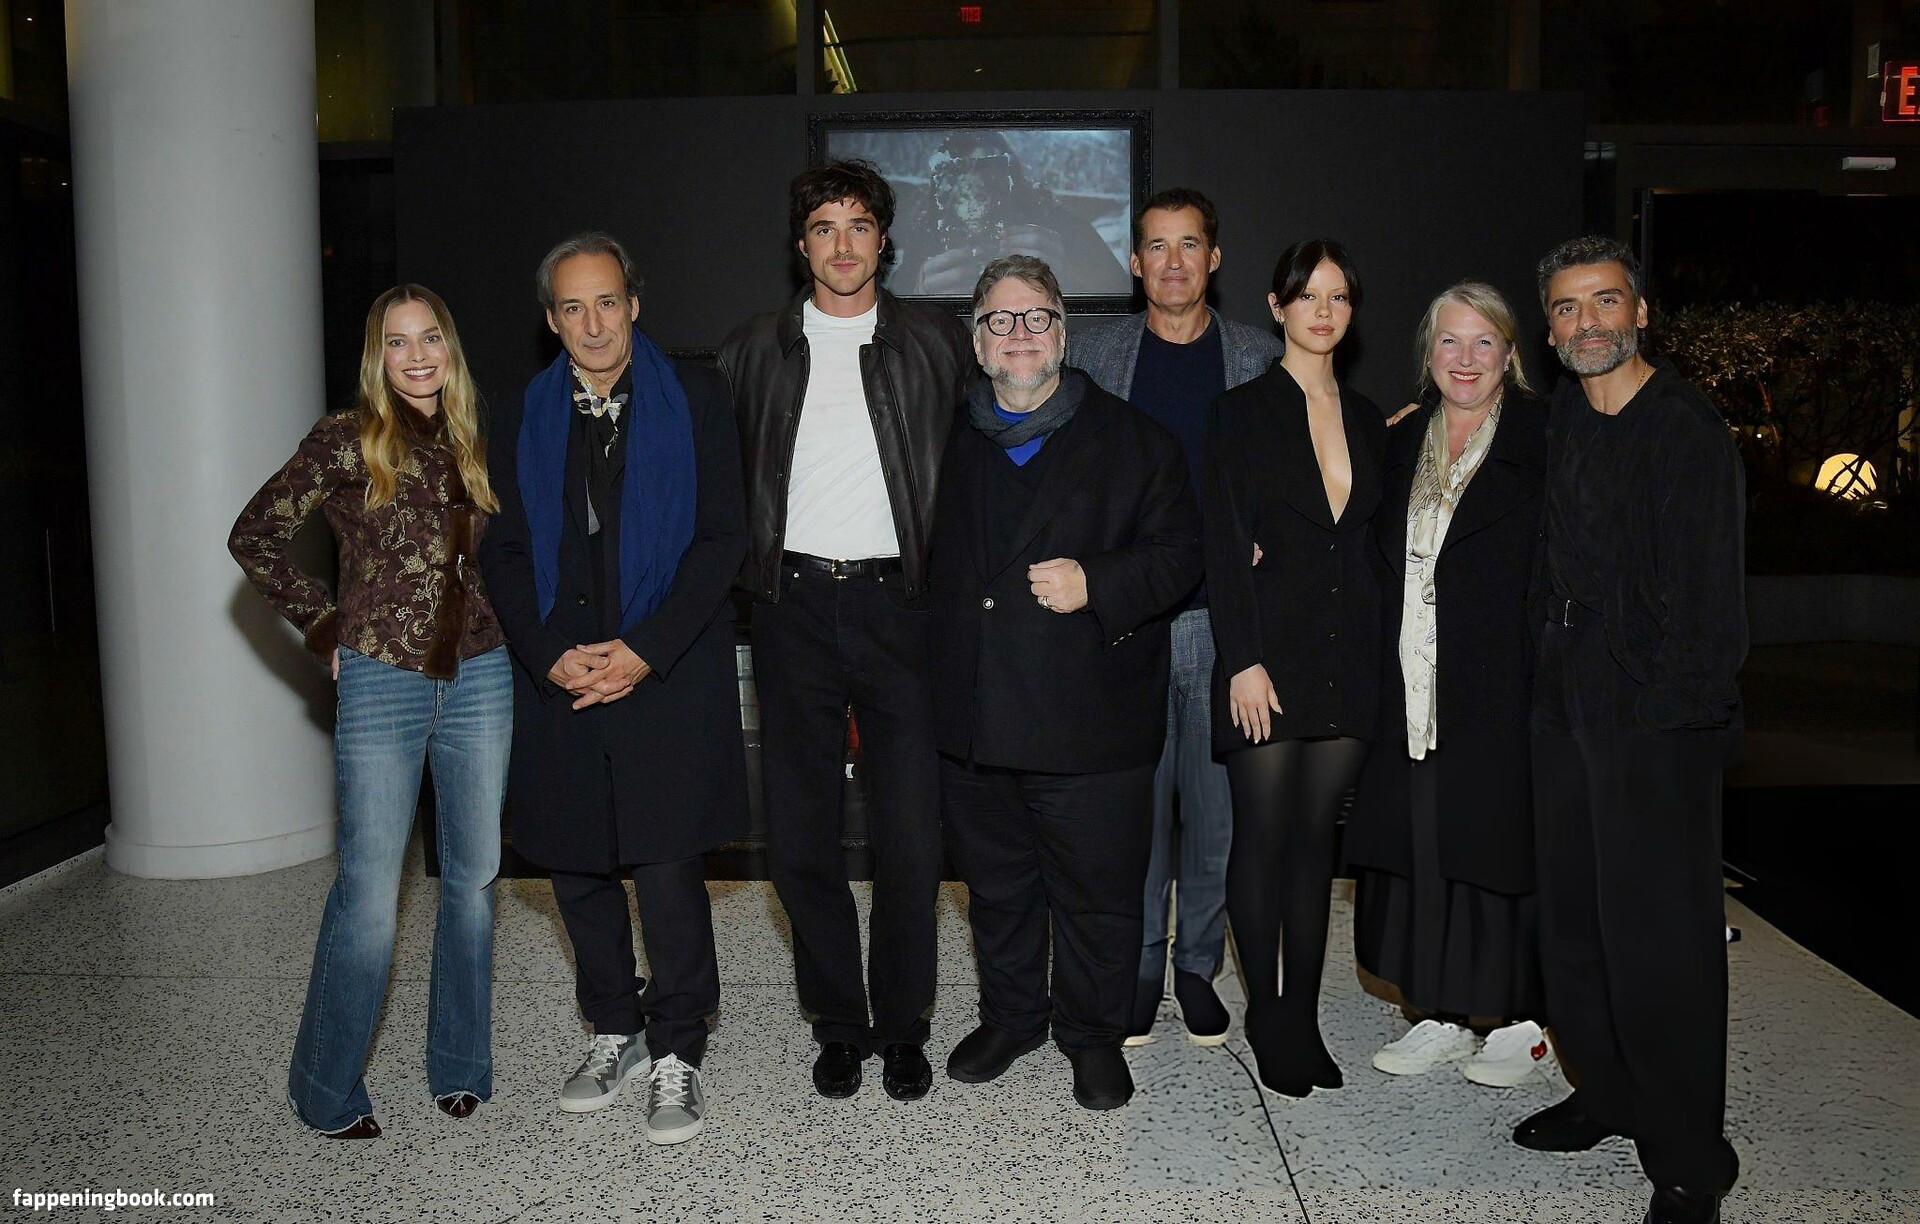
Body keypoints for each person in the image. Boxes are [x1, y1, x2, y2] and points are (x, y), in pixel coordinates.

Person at [479, 232, 747, 1145]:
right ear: (551, 321)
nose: (592, 323)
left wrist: (643, 650)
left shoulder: (697, 397)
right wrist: (548, 653)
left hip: (664, 663)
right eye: (572, 307)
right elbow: (504, 549)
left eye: (606, 302)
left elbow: (723, 538)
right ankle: (613, 1026)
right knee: (577, 860)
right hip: (560, 667)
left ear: (633, 304)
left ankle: (678, 1044)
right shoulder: (521, 411)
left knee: (667, 864)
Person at [718, 161, 974, 1103]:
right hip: (791, 607)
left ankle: (902, 1024)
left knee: (910, 839)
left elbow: (997, 442)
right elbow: (718, 475)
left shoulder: (934, 343)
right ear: (802, 244)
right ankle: (838, 1022)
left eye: (859, 225)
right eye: (824, 227)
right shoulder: (753, 348)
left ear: (884, 241)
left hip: (899, 607)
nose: (842, 244)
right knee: (800, 840)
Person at [229, 284, 509, 1139]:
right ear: (376, 357)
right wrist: (325, 628)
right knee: (369, 896)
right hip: (383, 680)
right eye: (398, 341)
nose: (417, 356)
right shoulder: (345, 437)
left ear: (450, 349)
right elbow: (254, 534)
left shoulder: (470, 438)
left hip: (481, 675)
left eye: (430, 338)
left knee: (473, 884)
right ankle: (324, 1088)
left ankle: (459, 1065)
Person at [932, 255, 1202, 1111]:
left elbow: (1182, 557)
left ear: (1063, 333)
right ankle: (1013, 1018)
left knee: (1098, 900)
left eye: (1037, 317)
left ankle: (1092, 1036)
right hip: (977, 720)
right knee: (998, 891)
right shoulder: (942, 441)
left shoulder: (1137, 441)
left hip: (1092, 721)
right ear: (978, 342)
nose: (1020, 334)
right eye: (1000, 320)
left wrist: (1098, 582)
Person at [1512, 236, 1745, 1224]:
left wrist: (1664, 730)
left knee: (1663, 948)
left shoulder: (1685, 432)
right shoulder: (1566, 415)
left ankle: (1690, 1160)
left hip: (1654, 722)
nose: (1588, 323)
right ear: (1550, 327)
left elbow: (1710, 607)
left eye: (1605, 301)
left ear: (1640, 311)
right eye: (1567, 308)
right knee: (1570, 928)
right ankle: (1607, 1095)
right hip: (1562, 706)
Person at [1070, 188, 1281, 1048]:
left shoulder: (1259, 357)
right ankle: (1139, 967)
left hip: (1221, 625)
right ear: (1134, 263)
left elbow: (1302, 471)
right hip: (1127, 623)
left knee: (1215, 819)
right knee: (1136, 817)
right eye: (1156, 246)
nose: (1173, 262)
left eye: (1189, 245)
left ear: (1214, 259)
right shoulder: (1094, 355)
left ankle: (1196, 966)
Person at [1344, 281, 1553, 1087]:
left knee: (1498, 849)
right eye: (1449, 342)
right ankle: (1436, 1011)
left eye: (1483, 342)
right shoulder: (1400, 440)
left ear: (1509, 352)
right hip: (1409, 681)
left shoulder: (1547, 435)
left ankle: (1521, 1022)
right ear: (1427, 353)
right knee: (1423, 844)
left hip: (1503, 683)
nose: (1466, 360)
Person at [1202, 239, 1386, 1098]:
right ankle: (1267, 1015)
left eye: (1338, 297)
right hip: (1266, 659)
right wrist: (1242, 660)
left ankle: (1302, 1016)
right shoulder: (1238, 413)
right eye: (1307, 295)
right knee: (1263, 839)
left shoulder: (1373, 421)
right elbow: (1223, 546)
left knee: (1316, 848)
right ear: (1276, 307)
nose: (1323, 310)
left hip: (1350, 658)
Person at [892, 131, 1129, 298]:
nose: (973, 187)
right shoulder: (927, 230)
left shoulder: (1058, 224)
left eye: (987, 168)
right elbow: (893, 300)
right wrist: (920, 289)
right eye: (958, 171)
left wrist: (1063, 274)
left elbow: (1117, 296)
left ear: (1011, 174)